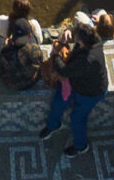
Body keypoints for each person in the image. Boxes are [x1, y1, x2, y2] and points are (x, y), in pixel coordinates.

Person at [41, 18, 108, 156]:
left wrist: (55, 55)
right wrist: (68, 31)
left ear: (81, 42)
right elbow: (80, 30)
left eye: (76, 38)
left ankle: (81, 146)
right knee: (58, 102)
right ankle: (53, 125)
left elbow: (64, 71)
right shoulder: (95, 40)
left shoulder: (88, 59)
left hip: (91, 92)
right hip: (78, 81)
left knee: (77, 118)